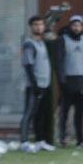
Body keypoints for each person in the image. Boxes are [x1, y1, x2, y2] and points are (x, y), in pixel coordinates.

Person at [19, 16, 55, 153]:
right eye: (35, 25)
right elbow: (28, 65)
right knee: (29, 113)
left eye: (41, 24)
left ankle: (40, 141)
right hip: (34, 85)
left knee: (41, 114)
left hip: (45, 84)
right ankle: (24, 142)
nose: (39, 27)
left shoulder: (42, 42)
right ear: (31, 27)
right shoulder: (29, 44)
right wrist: (34, 85)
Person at [55, 14, 83, 147]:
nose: (76, 28)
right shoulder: (63, 40)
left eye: (79, 25)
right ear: (70, 26)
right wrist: (61, 81)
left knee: (80, 112)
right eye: (74, 25)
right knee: (65, 112)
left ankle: (80, 139)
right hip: (68, 79)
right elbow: (58, 62)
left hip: (82, 79)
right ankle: (63, 137)